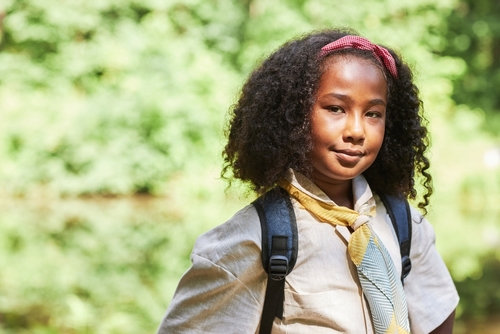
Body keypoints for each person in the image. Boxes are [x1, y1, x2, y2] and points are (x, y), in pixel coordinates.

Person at [157, 28, 459, 334]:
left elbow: (437, 310)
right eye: (335, 109)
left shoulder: (402, 223)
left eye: (373, 113)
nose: (356, 130)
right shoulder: (253, 239)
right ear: (294, 115)